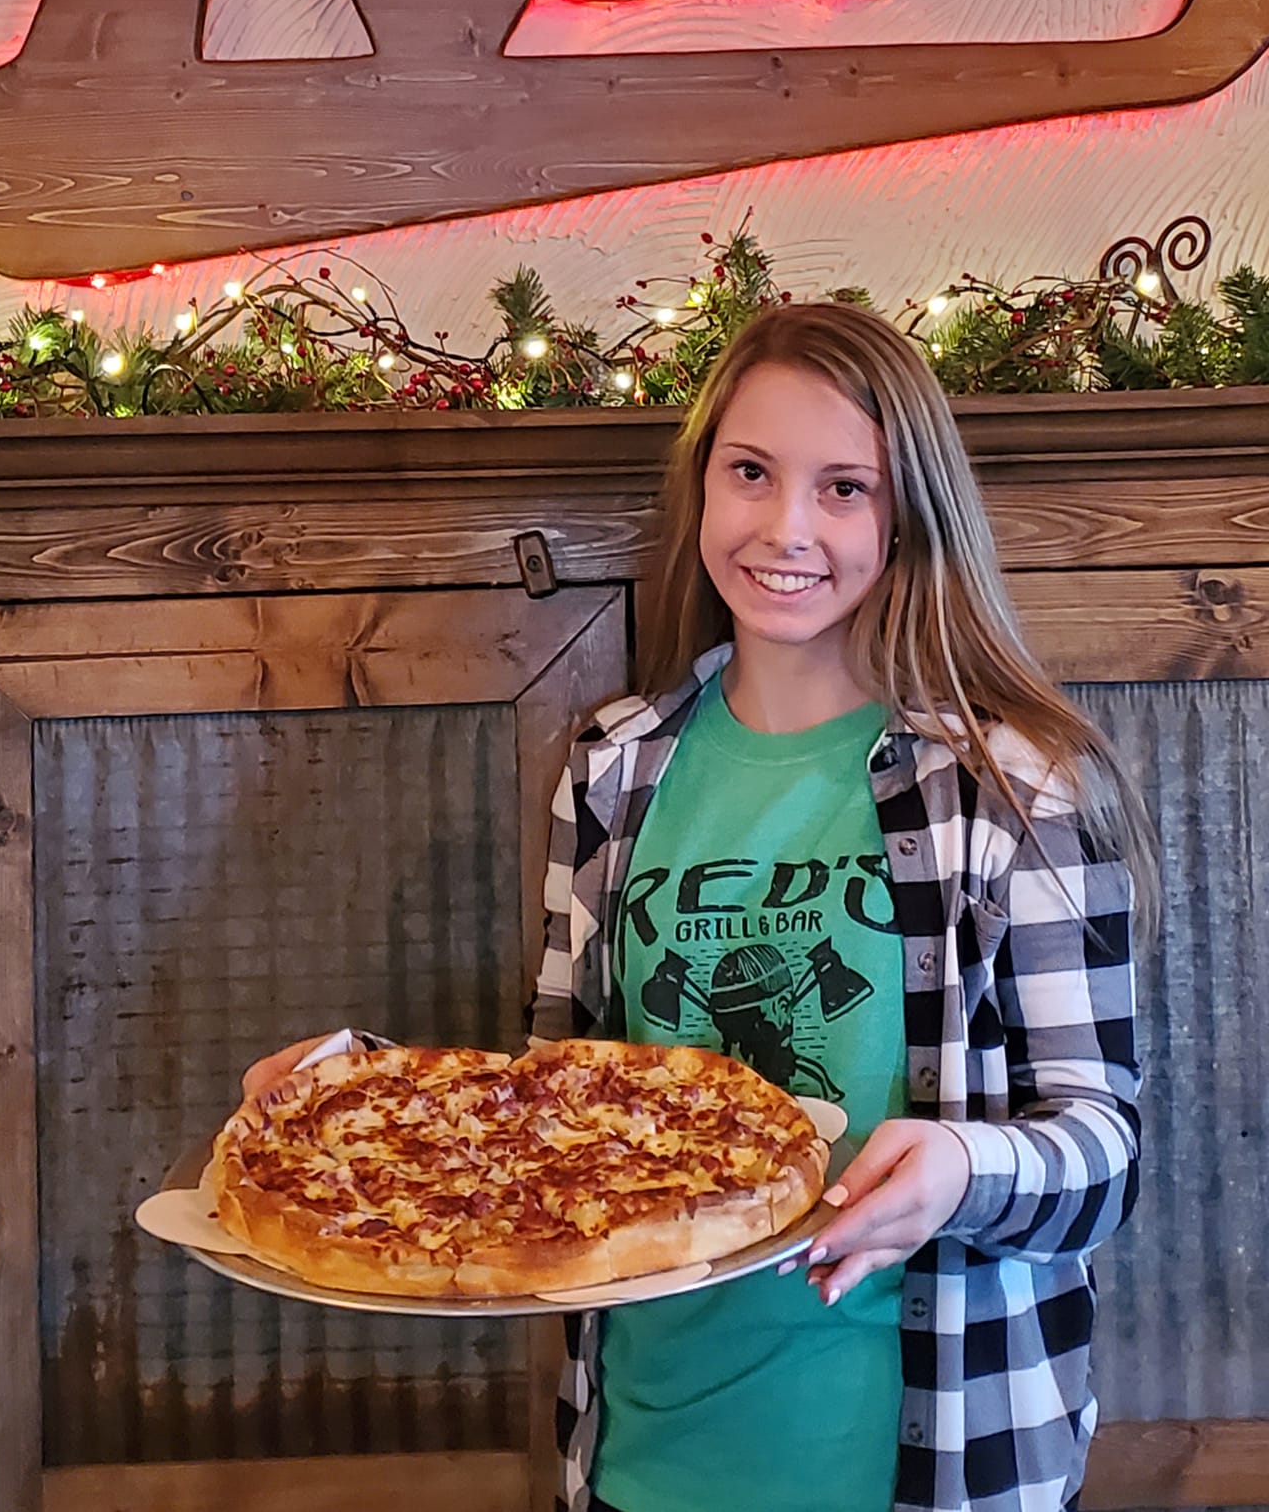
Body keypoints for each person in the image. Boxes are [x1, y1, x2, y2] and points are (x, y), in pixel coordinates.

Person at [244, 300, 1153, 1512]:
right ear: (702, 484)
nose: (786, 527)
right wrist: (359, 1090)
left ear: (908, 516)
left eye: (844, 487)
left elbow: (1105, 1151)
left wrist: (962, 1165)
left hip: (932, 1457)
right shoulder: (613, 767)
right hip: (646, 1453)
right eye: (750, 472)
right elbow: (551, 1097)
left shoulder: (1010, 783)